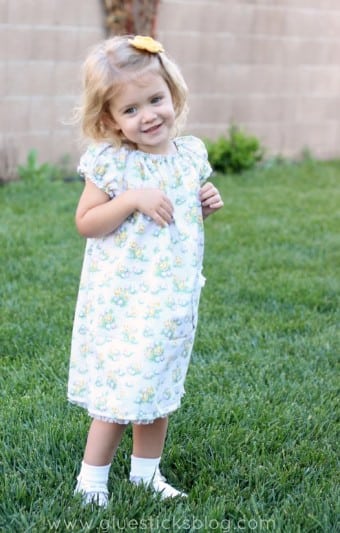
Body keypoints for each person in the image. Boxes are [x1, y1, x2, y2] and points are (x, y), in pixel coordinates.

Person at [67, 34, 224, 507]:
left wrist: (205, 203)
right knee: (122, 391)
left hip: (172, 298)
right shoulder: (112, 164)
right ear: (109, 119)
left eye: (155, 100)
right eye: (130, 110)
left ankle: (145, 475)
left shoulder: (189, 156)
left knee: (159, 388)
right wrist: (131, 199)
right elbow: (86, 223)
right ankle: (91, 481)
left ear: (172, 94)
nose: (148, 115)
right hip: (125, 300)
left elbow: (181, 215)